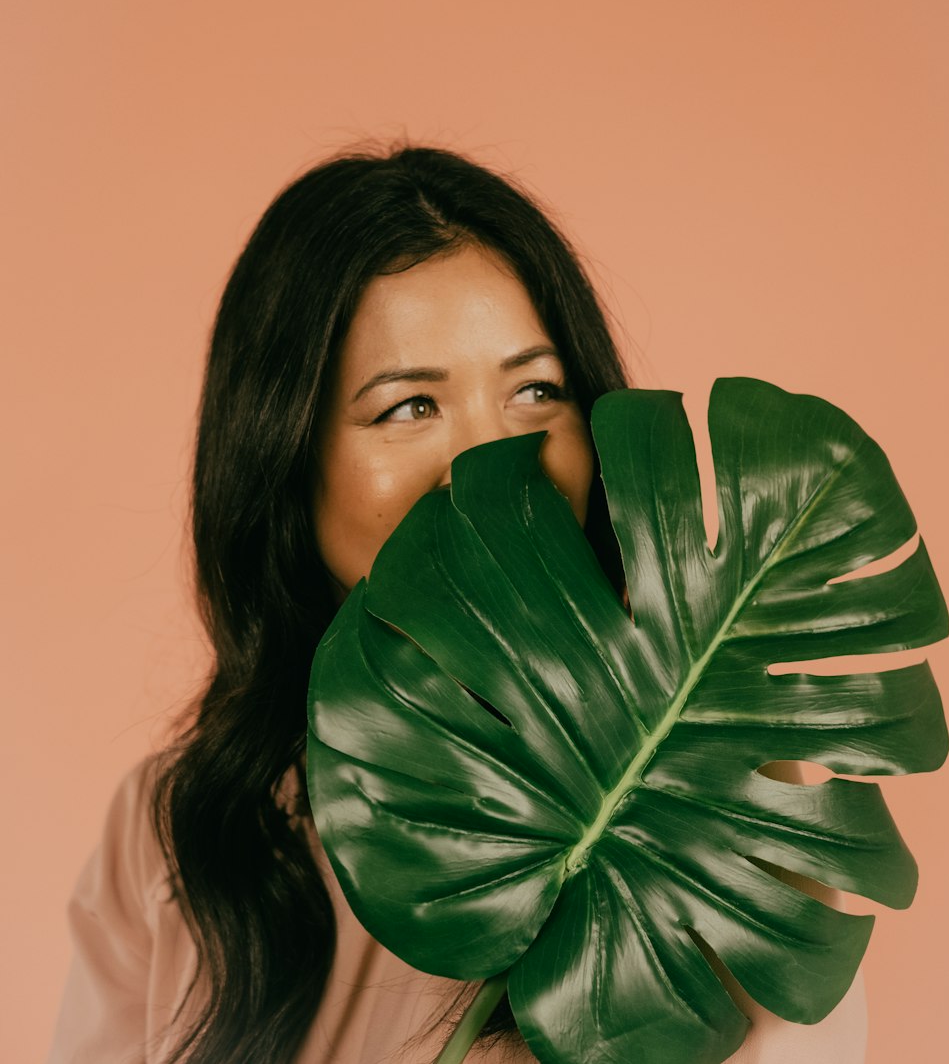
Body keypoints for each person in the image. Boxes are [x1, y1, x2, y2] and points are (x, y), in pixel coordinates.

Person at [48, 145, 867, 1064]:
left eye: (535, 392)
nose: (491, 466)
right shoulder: (174, 831)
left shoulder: (691, 790)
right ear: (284, 459)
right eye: (409, 406)